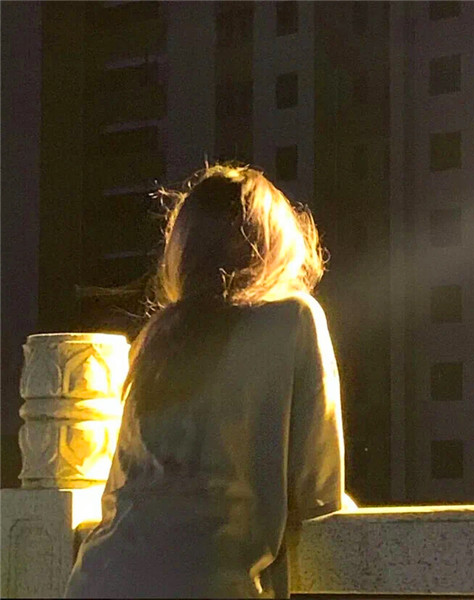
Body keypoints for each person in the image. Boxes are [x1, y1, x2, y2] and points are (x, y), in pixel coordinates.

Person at [64, 163, 351, 599]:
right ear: (274, 245)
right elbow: (319, 495)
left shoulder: (160, 336)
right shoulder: (295, 317)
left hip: (99, 578)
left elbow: (119, 491)